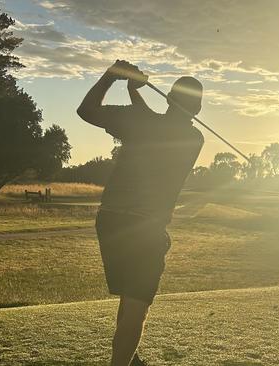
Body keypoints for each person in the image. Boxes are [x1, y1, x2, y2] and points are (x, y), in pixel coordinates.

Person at [77, 60, 204, 366]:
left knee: (130, 296)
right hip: (145, 227)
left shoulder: (138, 120)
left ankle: (129, 359)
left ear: (168, 98)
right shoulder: (194, 139)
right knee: (136, 305)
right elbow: (157, 124)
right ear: (197, 110)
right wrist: (135, 93)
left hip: (110, 221)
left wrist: (113, 77)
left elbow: (87, 110)